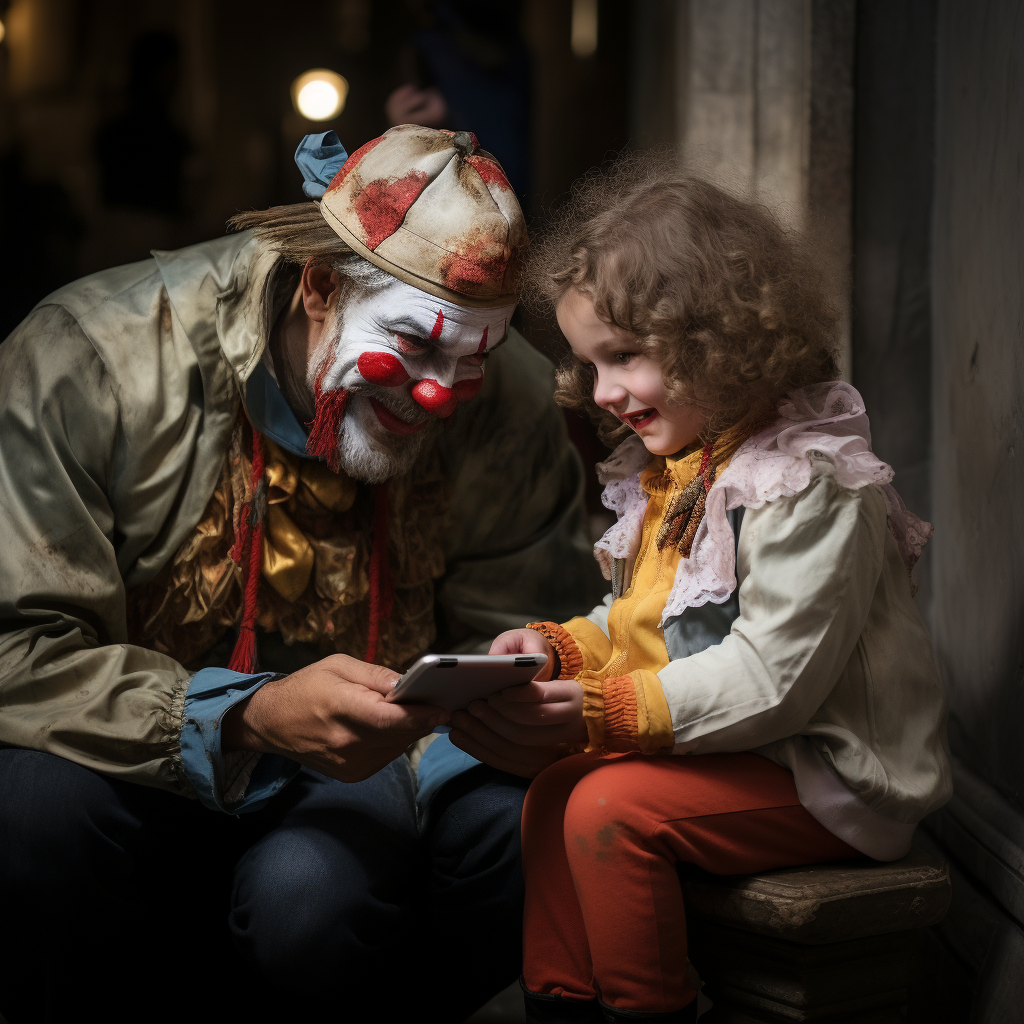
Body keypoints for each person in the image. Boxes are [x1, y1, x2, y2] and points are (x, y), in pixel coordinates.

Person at [0, 125, 605, 1023]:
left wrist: (507, 700)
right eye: (412, 342)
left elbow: (518, 626)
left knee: (380, 878)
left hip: (366, 779)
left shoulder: (510, 400)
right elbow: (19, 649)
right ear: (320, 285)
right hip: (114, 761)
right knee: (36, 813)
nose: (435, 394)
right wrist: (243, 716)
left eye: (469, 360)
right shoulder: (86, 360)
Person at [447, 159, 952, 1023]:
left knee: (608, 804)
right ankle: (561, 1005)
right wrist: (563, 650)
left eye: (625, 358)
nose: (603, 394)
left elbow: (773, 680)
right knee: (554, 795)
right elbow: (643, 620)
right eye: (590, 363)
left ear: (716, 336)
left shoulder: (804, 480)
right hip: (738, 754)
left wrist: (602, 711)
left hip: (827, 775)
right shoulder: (683, 471)